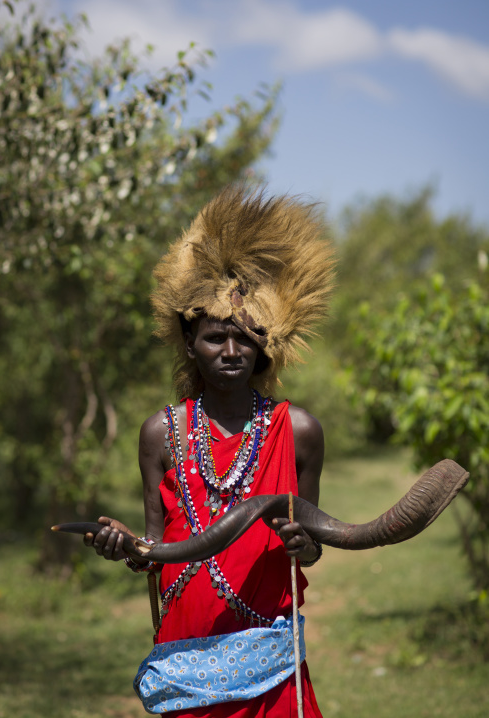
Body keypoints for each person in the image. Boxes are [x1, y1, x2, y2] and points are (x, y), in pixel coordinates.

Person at [85, 185, 335, 717]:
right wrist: (127, 547)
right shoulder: (161, 434)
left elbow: (313, 550)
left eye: (245, 338)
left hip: (271, 659)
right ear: (188, 339)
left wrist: (301, 544)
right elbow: (154, 553)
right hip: (186, 656)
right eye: (215, 337)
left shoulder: (300, 431)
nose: (230, 352)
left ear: (266, 344)